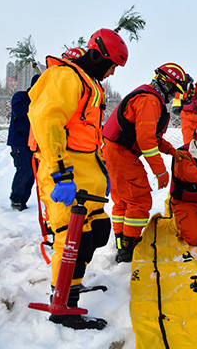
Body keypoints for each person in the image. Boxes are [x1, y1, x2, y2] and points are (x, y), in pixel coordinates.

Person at [28, 28, 128, 330]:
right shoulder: (65, 78)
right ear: (97, 56)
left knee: (97, 231)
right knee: (71, 238)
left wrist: (101, 174)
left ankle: (71, 286)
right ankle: (62, 307)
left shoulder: (88, 82)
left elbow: (86, 136)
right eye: (111, 65)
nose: (112, 73)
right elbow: (48, 122)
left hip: (86, 179)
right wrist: (60, 173)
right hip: (63, 175)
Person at [103, 63, 192, 263]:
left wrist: (173, 152)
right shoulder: (149, 101)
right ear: (168, 85)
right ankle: (127, 248)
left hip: (113, 151)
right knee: (139, 200)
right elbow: (146, 141)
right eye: (175, 92)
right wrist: (161, 172)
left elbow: (150, 136)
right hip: (122, 154)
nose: (173, 98)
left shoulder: (146, 96)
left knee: (124, 201)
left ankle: (121, 242)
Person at [7, 75, 38, 211]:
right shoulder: (20, 96)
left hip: (34, 142)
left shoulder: (42, 100)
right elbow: (19, 112)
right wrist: (35, 100)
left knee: (32, 173)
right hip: (20, 141)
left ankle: (23, 200)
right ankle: (16, 199)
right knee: (24, 170)